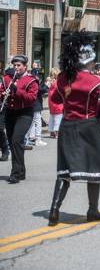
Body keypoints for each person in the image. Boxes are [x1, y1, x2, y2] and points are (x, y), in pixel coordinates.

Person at [47, 31, 100, 226]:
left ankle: (54, 209)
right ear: (88, 59)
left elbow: (55, 99)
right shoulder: (97, 81)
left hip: (67, 124)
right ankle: (92, 210)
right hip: (88, 125)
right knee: (94, 169)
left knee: (64, 169)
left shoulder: (62, 78)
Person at [1, 55, 39, 183]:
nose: (16, 68)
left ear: (25, 66)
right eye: (14, 65)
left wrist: (16, 90)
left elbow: (31, 99)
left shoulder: (31, 80)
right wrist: (2, 94)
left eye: (19, 65)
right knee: (13, 143)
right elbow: (2, 91)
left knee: (17, 140)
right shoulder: (8, 78)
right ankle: (21, 171)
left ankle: (15, 173)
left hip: (25, 113)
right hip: (10, 113)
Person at [25, 66, 49, 147]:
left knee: (32, 122)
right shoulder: (34, 81)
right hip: (35, 104)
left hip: (33, 104)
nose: (38, 76)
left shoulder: (31, 80)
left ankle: (28, 138)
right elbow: (42, 90)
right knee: (37, 121)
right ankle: (37, 139)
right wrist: (46, 85)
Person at [46, 67, 64, 138]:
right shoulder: (57, 82)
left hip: (51, 103)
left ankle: (51, 132)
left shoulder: (49, 82)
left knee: (52, 118)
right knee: (58, 118)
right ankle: (57, 132)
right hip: (58, 103)